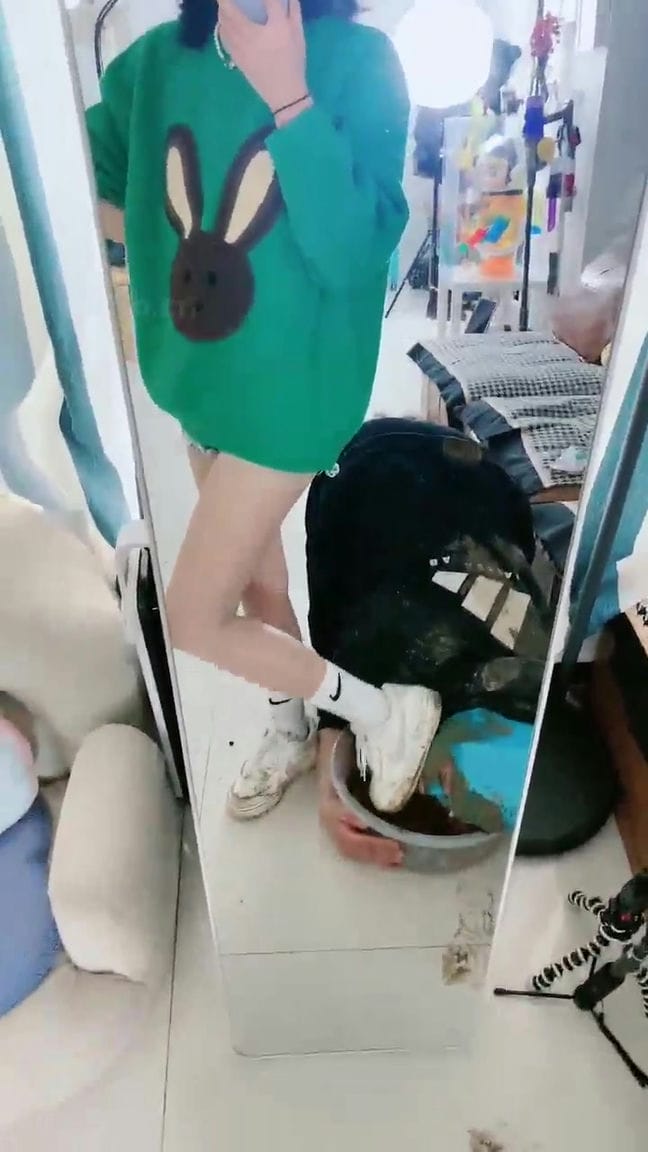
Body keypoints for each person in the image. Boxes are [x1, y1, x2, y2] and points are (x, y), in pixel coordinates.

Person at [86, 0, 443, 818]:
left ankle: (384, 712)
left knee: (195, 618)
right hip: (199, 382)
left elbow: (353, 255)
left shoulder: (360, 62)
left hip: (295, 393)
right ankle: (290, 726)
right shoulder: (153, 63)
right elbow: (96, 188)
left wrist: (289, 96)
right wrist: (153, 237)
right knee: (258, 582)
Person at [304, 417, 550, 866]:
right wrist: (328, 794)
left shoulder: (535, 664)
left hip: (482, 477)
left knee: (500, 564)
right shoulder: (377, 644)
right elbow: (329, 676)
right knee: (333, 606)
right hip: (358, 470)